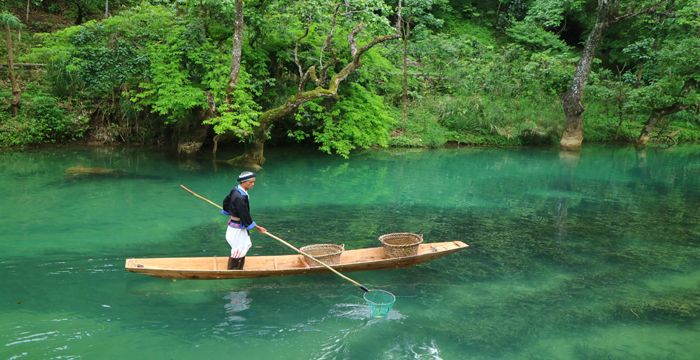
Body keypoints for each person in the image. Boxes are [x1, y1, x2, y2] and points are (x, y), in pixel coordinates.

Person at [222, 171, 267, 270]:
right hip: (236, 229)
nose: (253, 184)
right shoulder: (239, 198)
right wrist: (257, 228)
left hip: (238, 225)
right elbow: (245, 215)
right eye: (251, 182)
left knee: (246, 244)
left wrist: (227, 210)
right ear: (244, 182)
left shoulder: (236, 190)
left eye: (253, 182)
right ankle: (232, 270)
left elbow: (226, 200)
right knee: (238, 250)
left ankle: (239, 268)